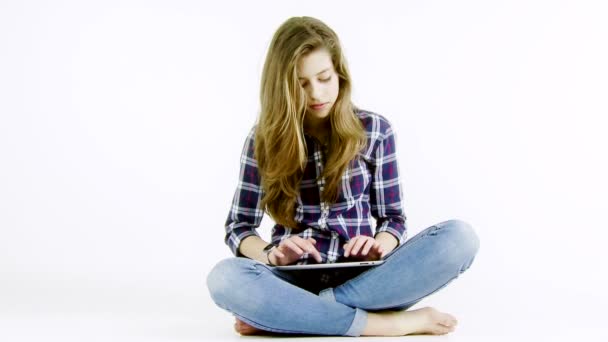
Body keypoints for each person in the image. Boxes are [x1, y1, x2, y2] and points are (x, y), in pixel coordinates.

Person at [206, 16, 480, 337]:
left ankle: (293, 315)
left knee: (460, 238)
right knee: (224, 278)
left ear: (339, 72)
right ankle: (385, 323)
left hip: (366, 279)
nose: (316, 93)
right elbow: (239, 227)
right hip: (291, 279)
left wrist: (379, 245)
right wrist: (272, 253)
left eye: (324, 78)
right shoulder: (261, 141)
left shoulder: (375, 130)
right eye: (301, 83)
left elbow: (393, 219)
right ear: (281, 86)